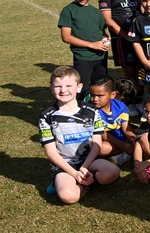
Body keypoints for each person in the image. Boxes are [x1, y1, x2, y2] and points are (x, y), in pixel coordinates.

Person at [39, 66, 120, 203]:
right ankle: (81, 184)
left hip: (89, 161)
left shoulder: (92, 111)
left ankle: (84, 178)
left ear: (79, 87)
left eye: (69, 85)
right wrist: (74, 173)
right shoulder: (46, 117)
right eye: (58, 86)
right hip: (64, 166)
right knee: (68, 197)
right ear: (51, 88)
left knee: (113, 173)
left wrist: (84, 167)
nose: (63, 90)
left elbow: (97, 143)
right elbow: (51, 152)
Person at [60, 0, 110, 101]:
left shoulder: (96, 12)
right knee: (80, 89)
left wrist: (106, 39)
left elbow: (102, 32)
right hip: (83, 58)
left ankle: (97, 113)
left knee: (100, 87)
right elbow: (66, 37)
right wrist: (91, 44)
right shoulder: (68, 10)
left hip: (100, 57)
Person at [98, 0, 140, 84]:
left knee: (141, 71)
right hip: (122, 40)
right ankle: (129, 101)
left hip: (139, 37)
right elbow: (108, 20)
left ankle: (139, 99)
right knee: (129, 73)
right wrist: (126, 36)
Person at [88, 75, 135, 163]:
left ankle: (130, 153)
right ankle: (126, 154)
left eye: (100, 96)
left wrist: (134, 143)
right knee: (101, 148)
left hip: (121, 138)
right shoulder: (89, 110)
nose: (95, 99)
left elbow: (126, 129)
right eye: (92, 95)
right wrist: (124, 146)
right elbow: (102, 134)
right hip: (104, 141)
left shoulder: (120, 106)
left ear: (112, 95)